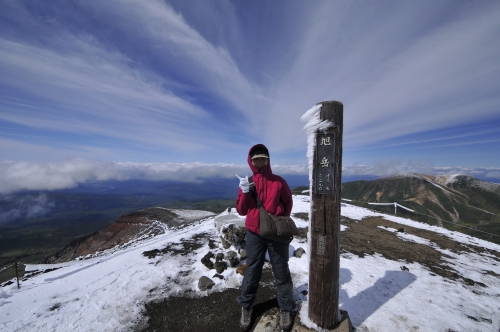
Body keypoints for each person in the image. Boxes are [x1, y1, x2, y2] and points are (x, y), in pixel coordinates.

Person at [235, 144, 294, 331]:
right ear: (250, 161)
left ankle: (285, 308)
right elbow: (241, 210)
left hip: (275, 232)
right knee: (252, 270)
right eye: (256, 159)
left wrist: (279, 218)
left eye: (263, 158)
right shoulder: (248, 182)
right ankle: (246, 306)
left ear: (268, 160)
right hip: (254, 232)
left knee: (281, 270)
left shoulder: (278, 181)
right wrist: (244, 193)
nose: (260, 162)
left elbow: (288, 202)